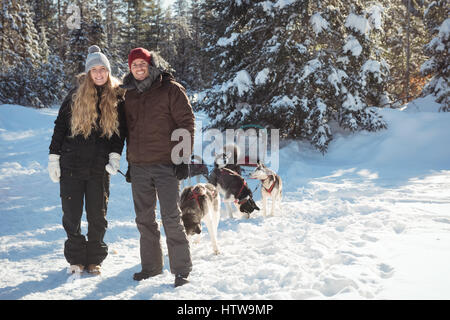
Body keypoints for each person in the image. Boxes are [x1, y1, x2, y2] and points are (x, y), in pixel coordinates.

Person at [48, 45, 126, 275]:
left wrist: (114, 155)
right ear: (89, 73)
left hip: (97, 169)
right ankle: (76, 259)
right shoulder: (74, 95)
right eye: (95, 70)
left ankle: (94, 259)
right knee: (71, 216)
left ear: (108, 71)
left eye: (103, 69)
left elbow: (119, 132)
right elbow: (60, 128)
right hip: (71, 166)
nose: (99, 74)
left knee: (97, 216)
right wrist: (54, 157)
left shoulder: (117, 97)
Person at [121, 48, 195, 287]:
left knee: (171, 217)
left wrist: (183, 158)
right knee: (144, 219)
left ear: (151, 65)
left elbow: (186, 122)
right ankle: (151, 267)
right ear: (130, 69)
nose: (139, 68)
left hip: (167, 165)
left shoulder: (170, 89)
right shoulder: (128, 94)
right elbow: (128, 131)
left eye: (143, 64)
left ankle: (181, 270)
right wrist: (131, 162)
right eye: (134, 65)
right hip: (140, 166)